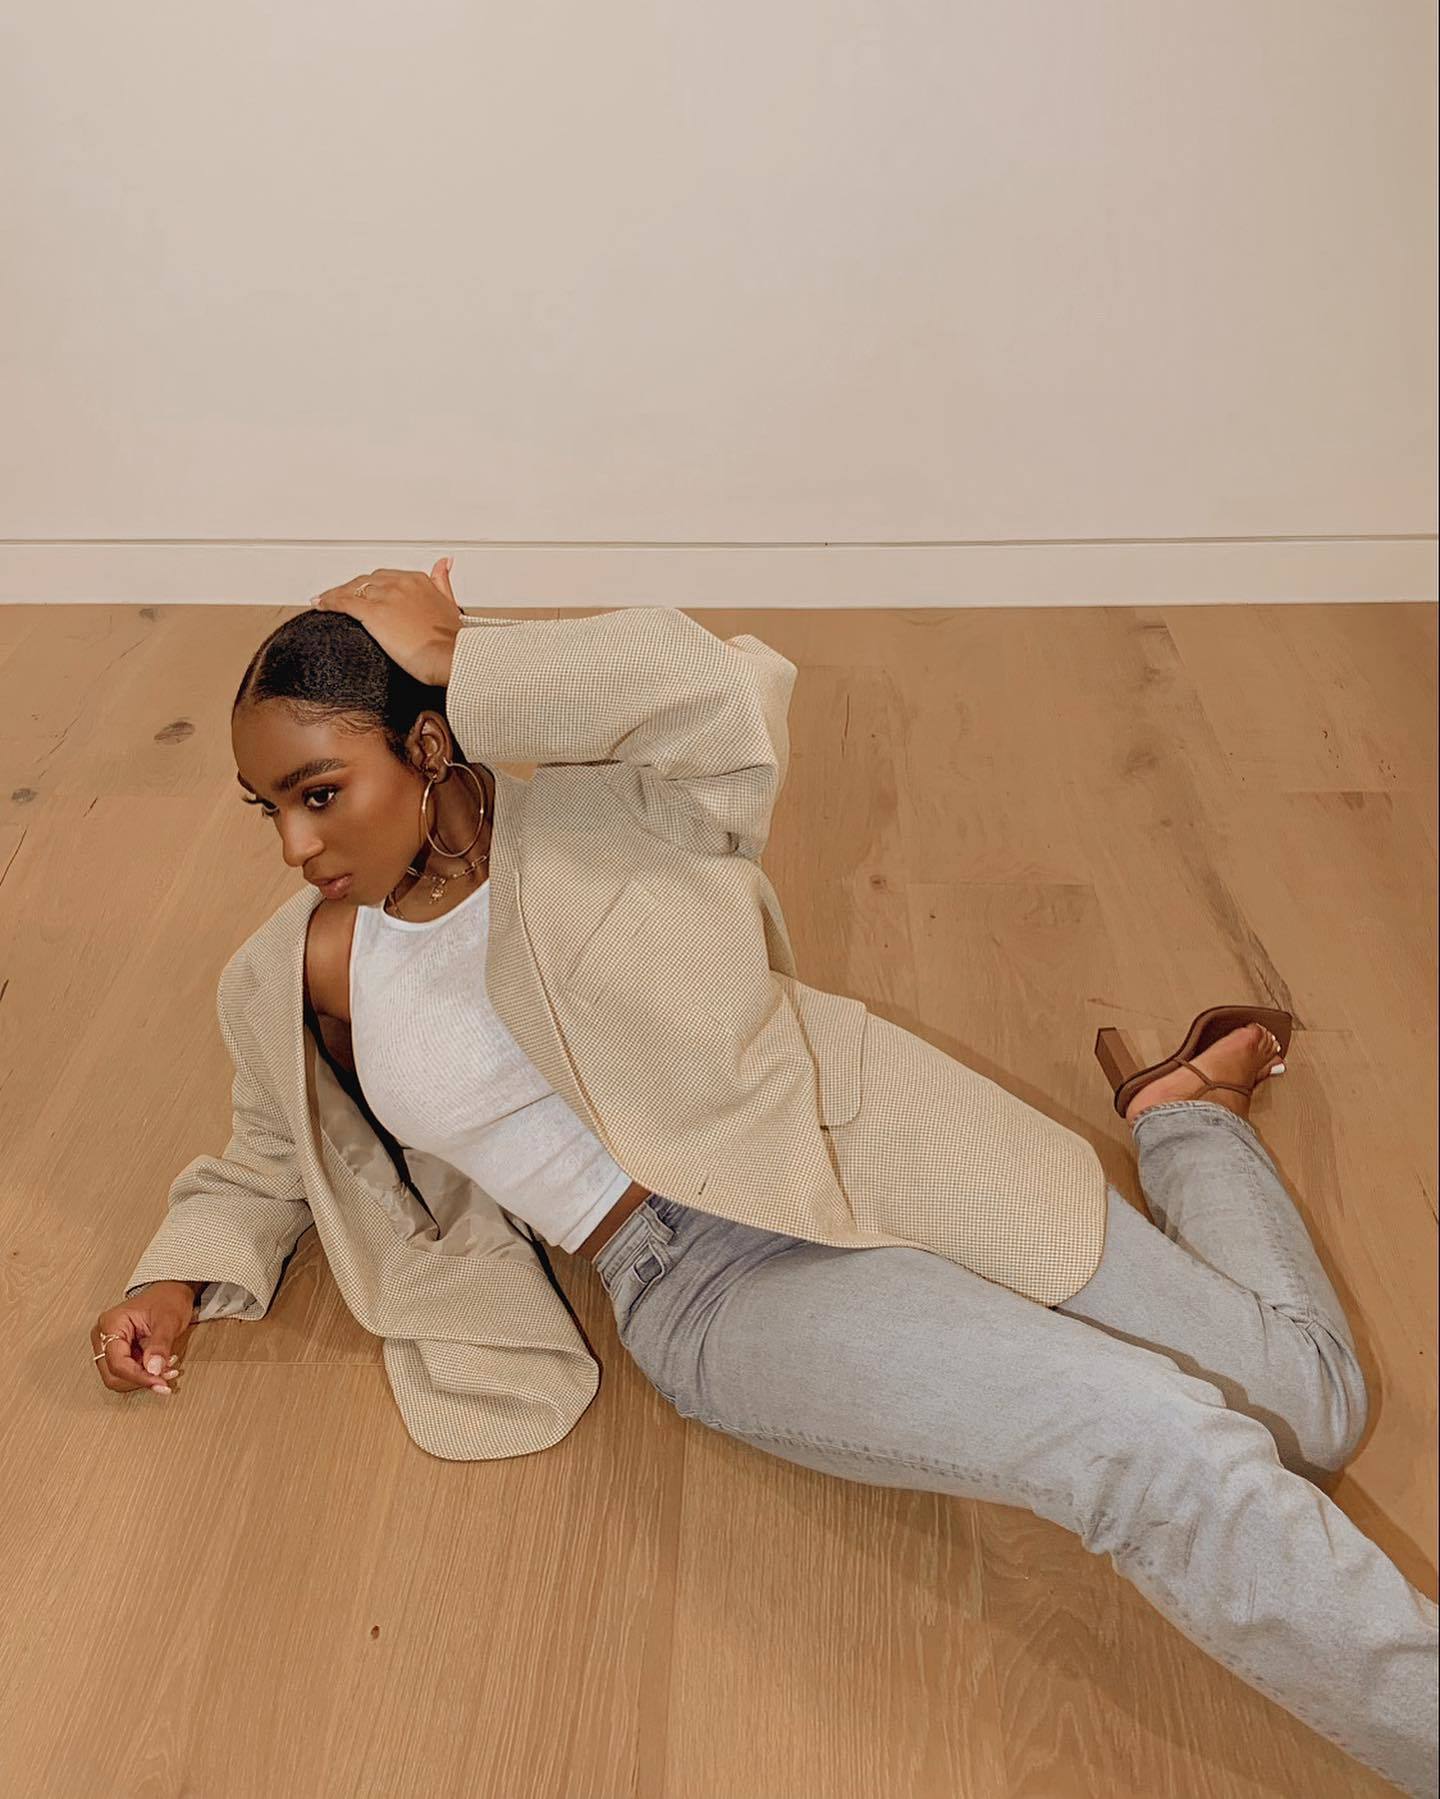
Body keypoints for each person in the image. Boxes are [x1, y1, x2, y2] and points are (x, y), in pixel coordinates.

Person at [92, 563, 1439, 1797]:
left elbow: (722, 695)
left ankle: (1182, 1118)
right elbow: (273, 1146)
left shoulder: (618, 813)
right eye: (269, 809)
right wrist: (175, 1275)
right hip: (709, 1282)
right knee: (1154, 1441)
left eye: (321, 793)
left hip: (865, 1133)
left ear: (429, 745)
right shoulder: (310, 967)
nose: (295, 847)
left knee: (1312, 1411)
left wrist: (465, 650)